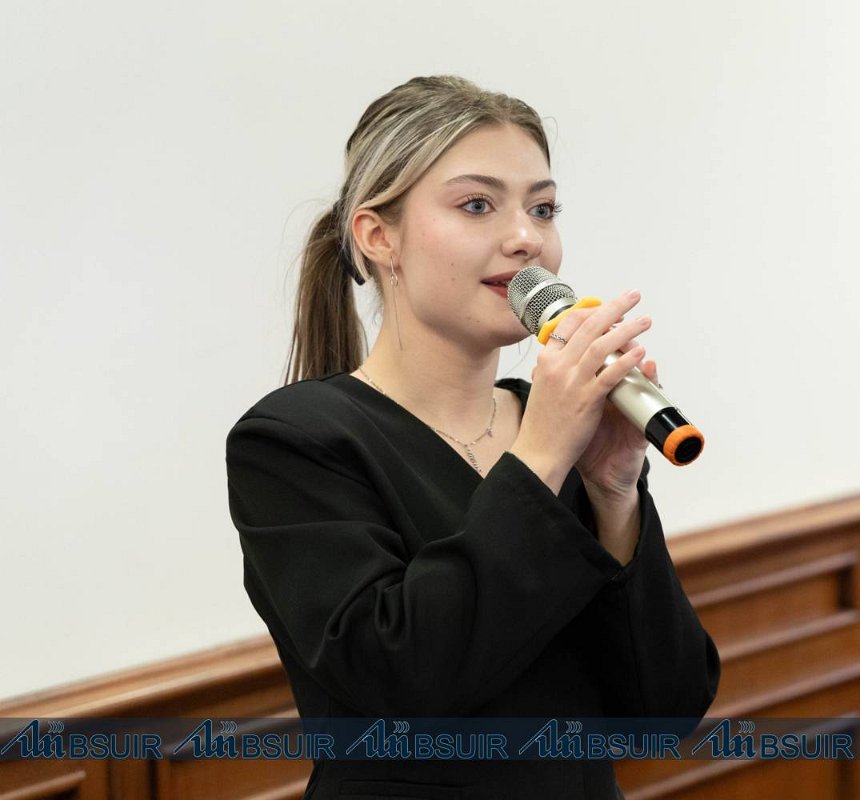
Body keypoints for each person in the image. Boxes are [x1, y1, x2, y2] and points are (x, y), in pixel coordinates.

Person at [225, 76, 720, 799]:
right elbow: (404, 682)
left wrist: (614, 494)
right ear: (378, 236)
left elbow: (663, 712)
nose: (527, 238)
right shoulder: (295, 442)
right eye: (477, 205)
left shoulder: (560, 427)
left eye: (542, 209)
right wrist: (541, 457)